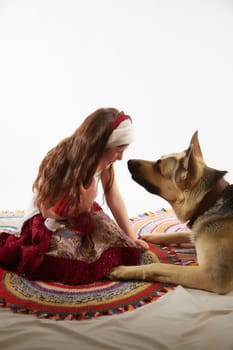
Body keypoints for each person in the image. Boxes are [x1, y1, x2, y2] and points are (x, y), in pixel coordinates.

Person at [0, 107, 149, 285]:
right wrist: (81, 206)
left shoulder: (105, 164)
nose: (121, 157)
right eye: (119, 149)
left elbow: (113, 197)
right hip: (50, 216)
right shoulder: (64, 158)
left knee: (115, 239)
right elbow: (48, 210)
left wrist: (131, 237)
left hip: (79, 210)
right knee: (67, 254)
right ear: (101, 144)